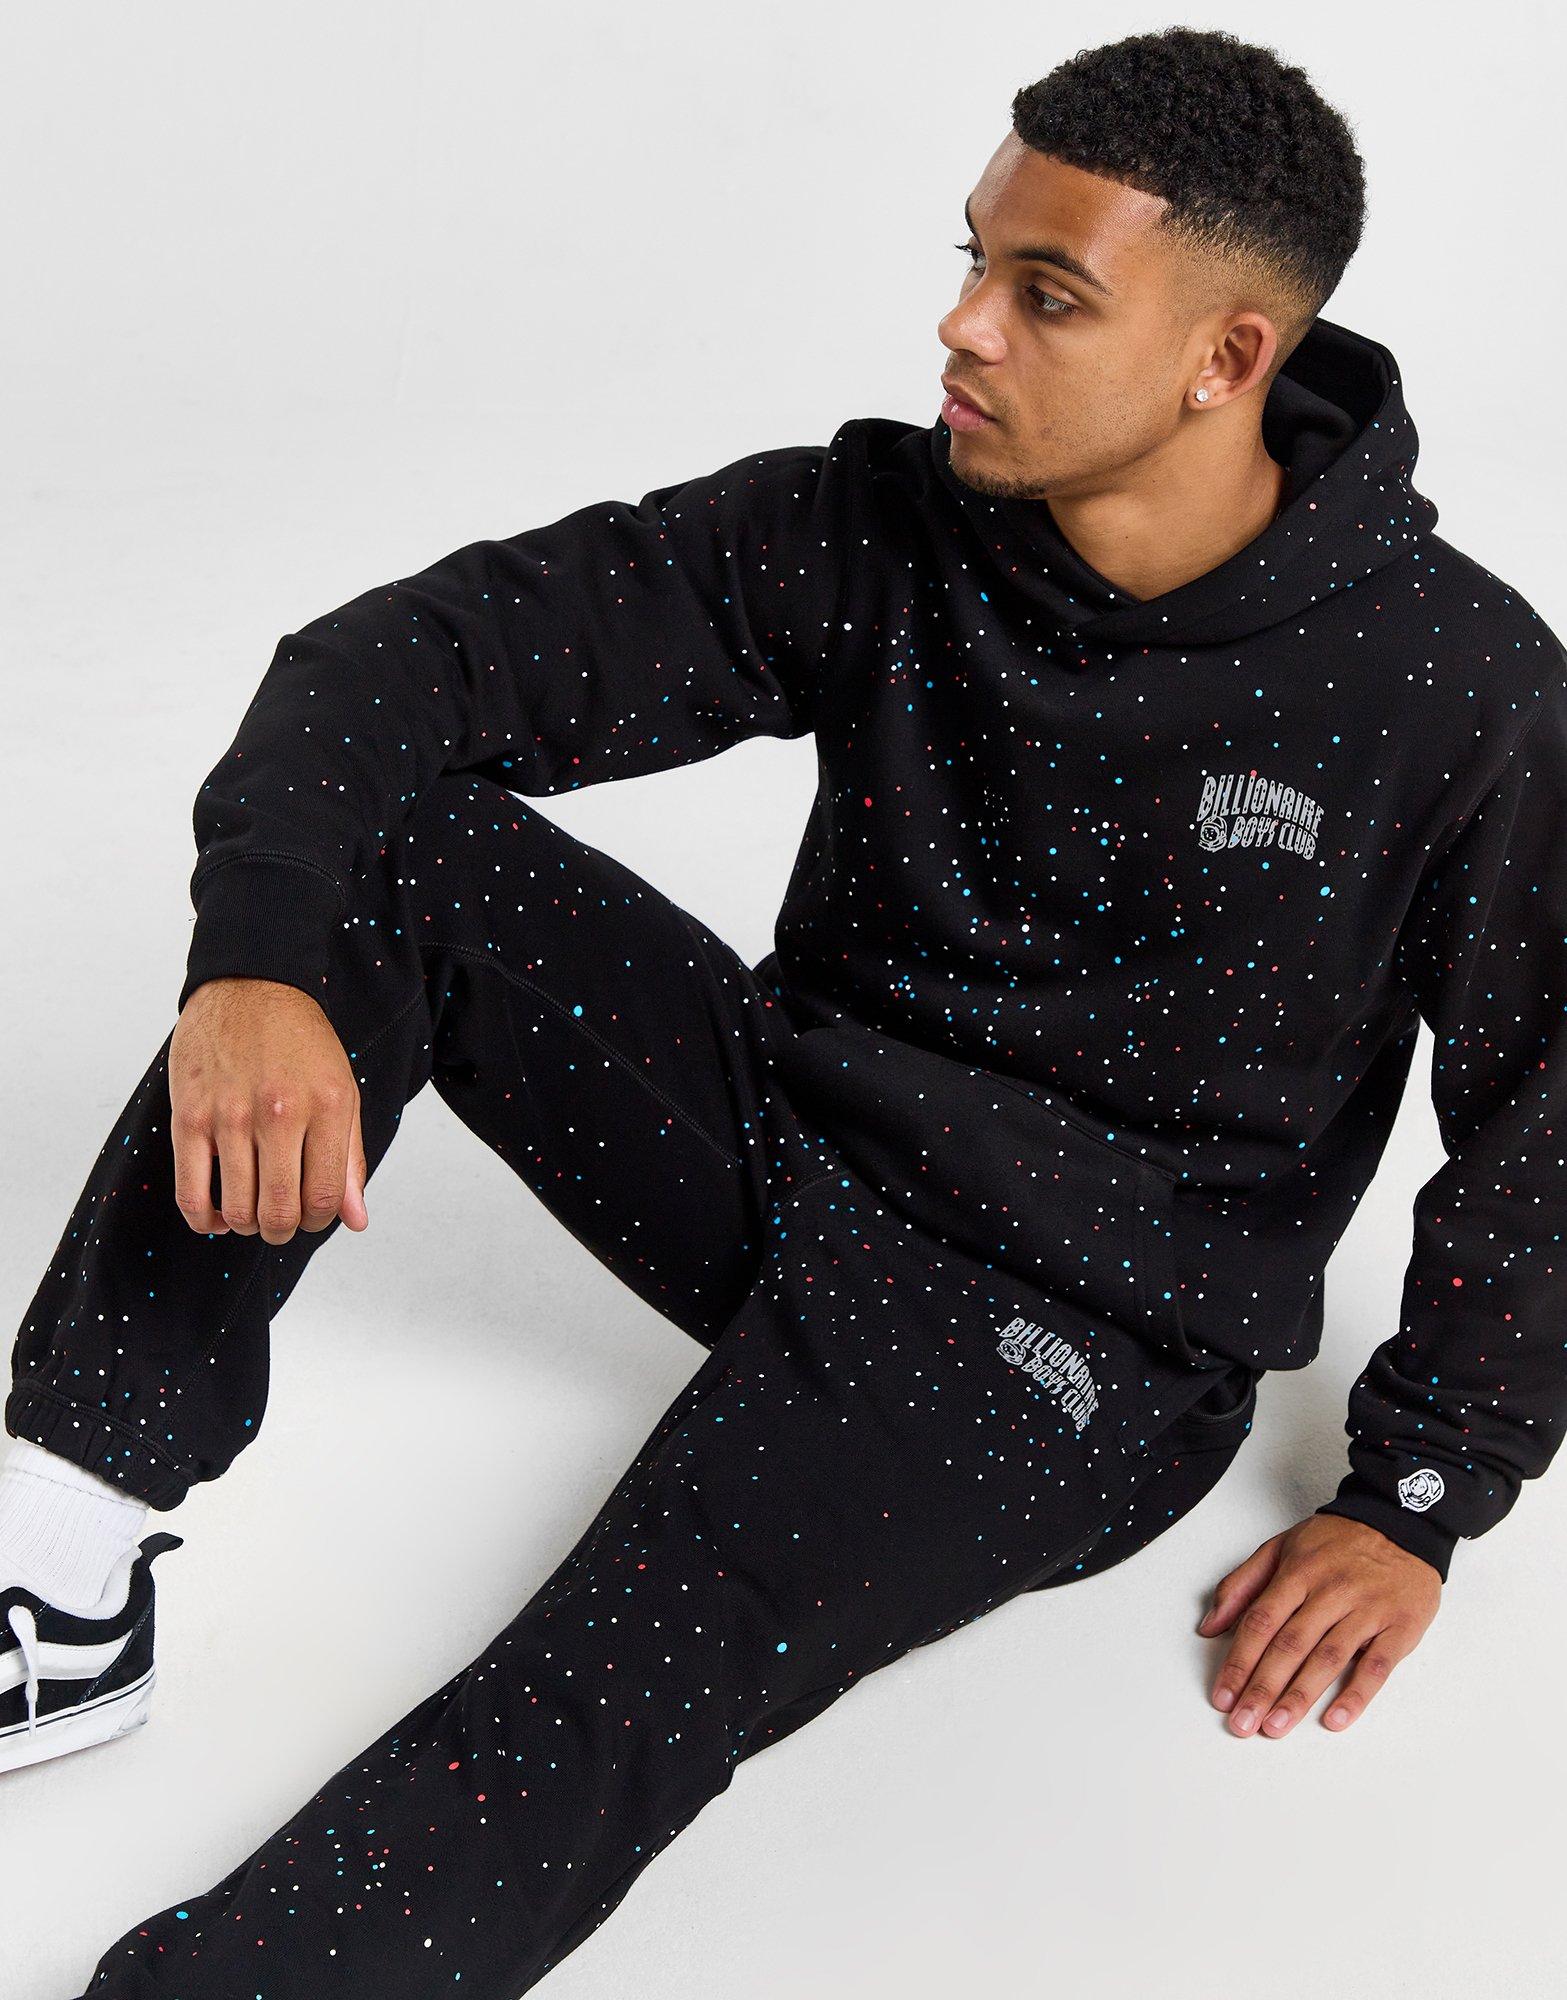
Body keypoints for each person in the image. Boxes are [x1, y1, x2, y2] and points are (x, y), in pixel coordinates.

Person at [5, 22, 1565, 1995]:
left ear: (1226, 355)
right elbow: (410, 658)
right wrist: (255, 957)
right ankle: (58, 1559)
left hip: (1066, 1341)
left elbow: (1546, 1108)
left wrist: (1420, 1494)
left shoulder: (1459, 690)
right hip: (787, 1140)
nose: (963, 328)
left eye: (1045, 293)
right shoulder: (884, 526)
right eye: (974, 260)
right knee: (386, 847)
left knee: (603, 1679)